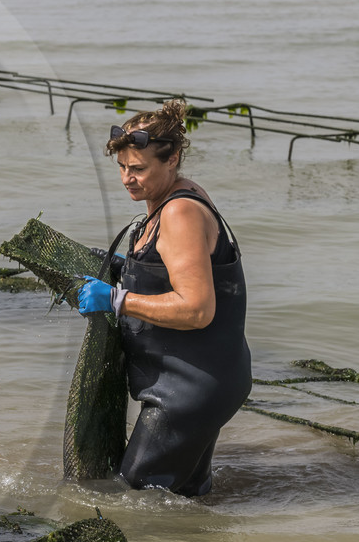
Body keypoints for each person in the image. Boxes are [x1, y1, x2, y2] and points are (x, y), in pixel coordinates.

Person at [76, 99, 252, 497]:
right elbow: (173, 268)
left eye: (138, 169)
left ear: (171, 159)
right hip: (204, 380)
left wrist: (118, 300)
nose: (127, 179)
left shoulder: (180, 213)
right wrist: (130, 268)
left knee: (136, 495)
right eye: (121, 167)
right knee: (183, 495)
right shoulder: (170, 198)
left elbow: (196, 309)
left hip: (189, 390)